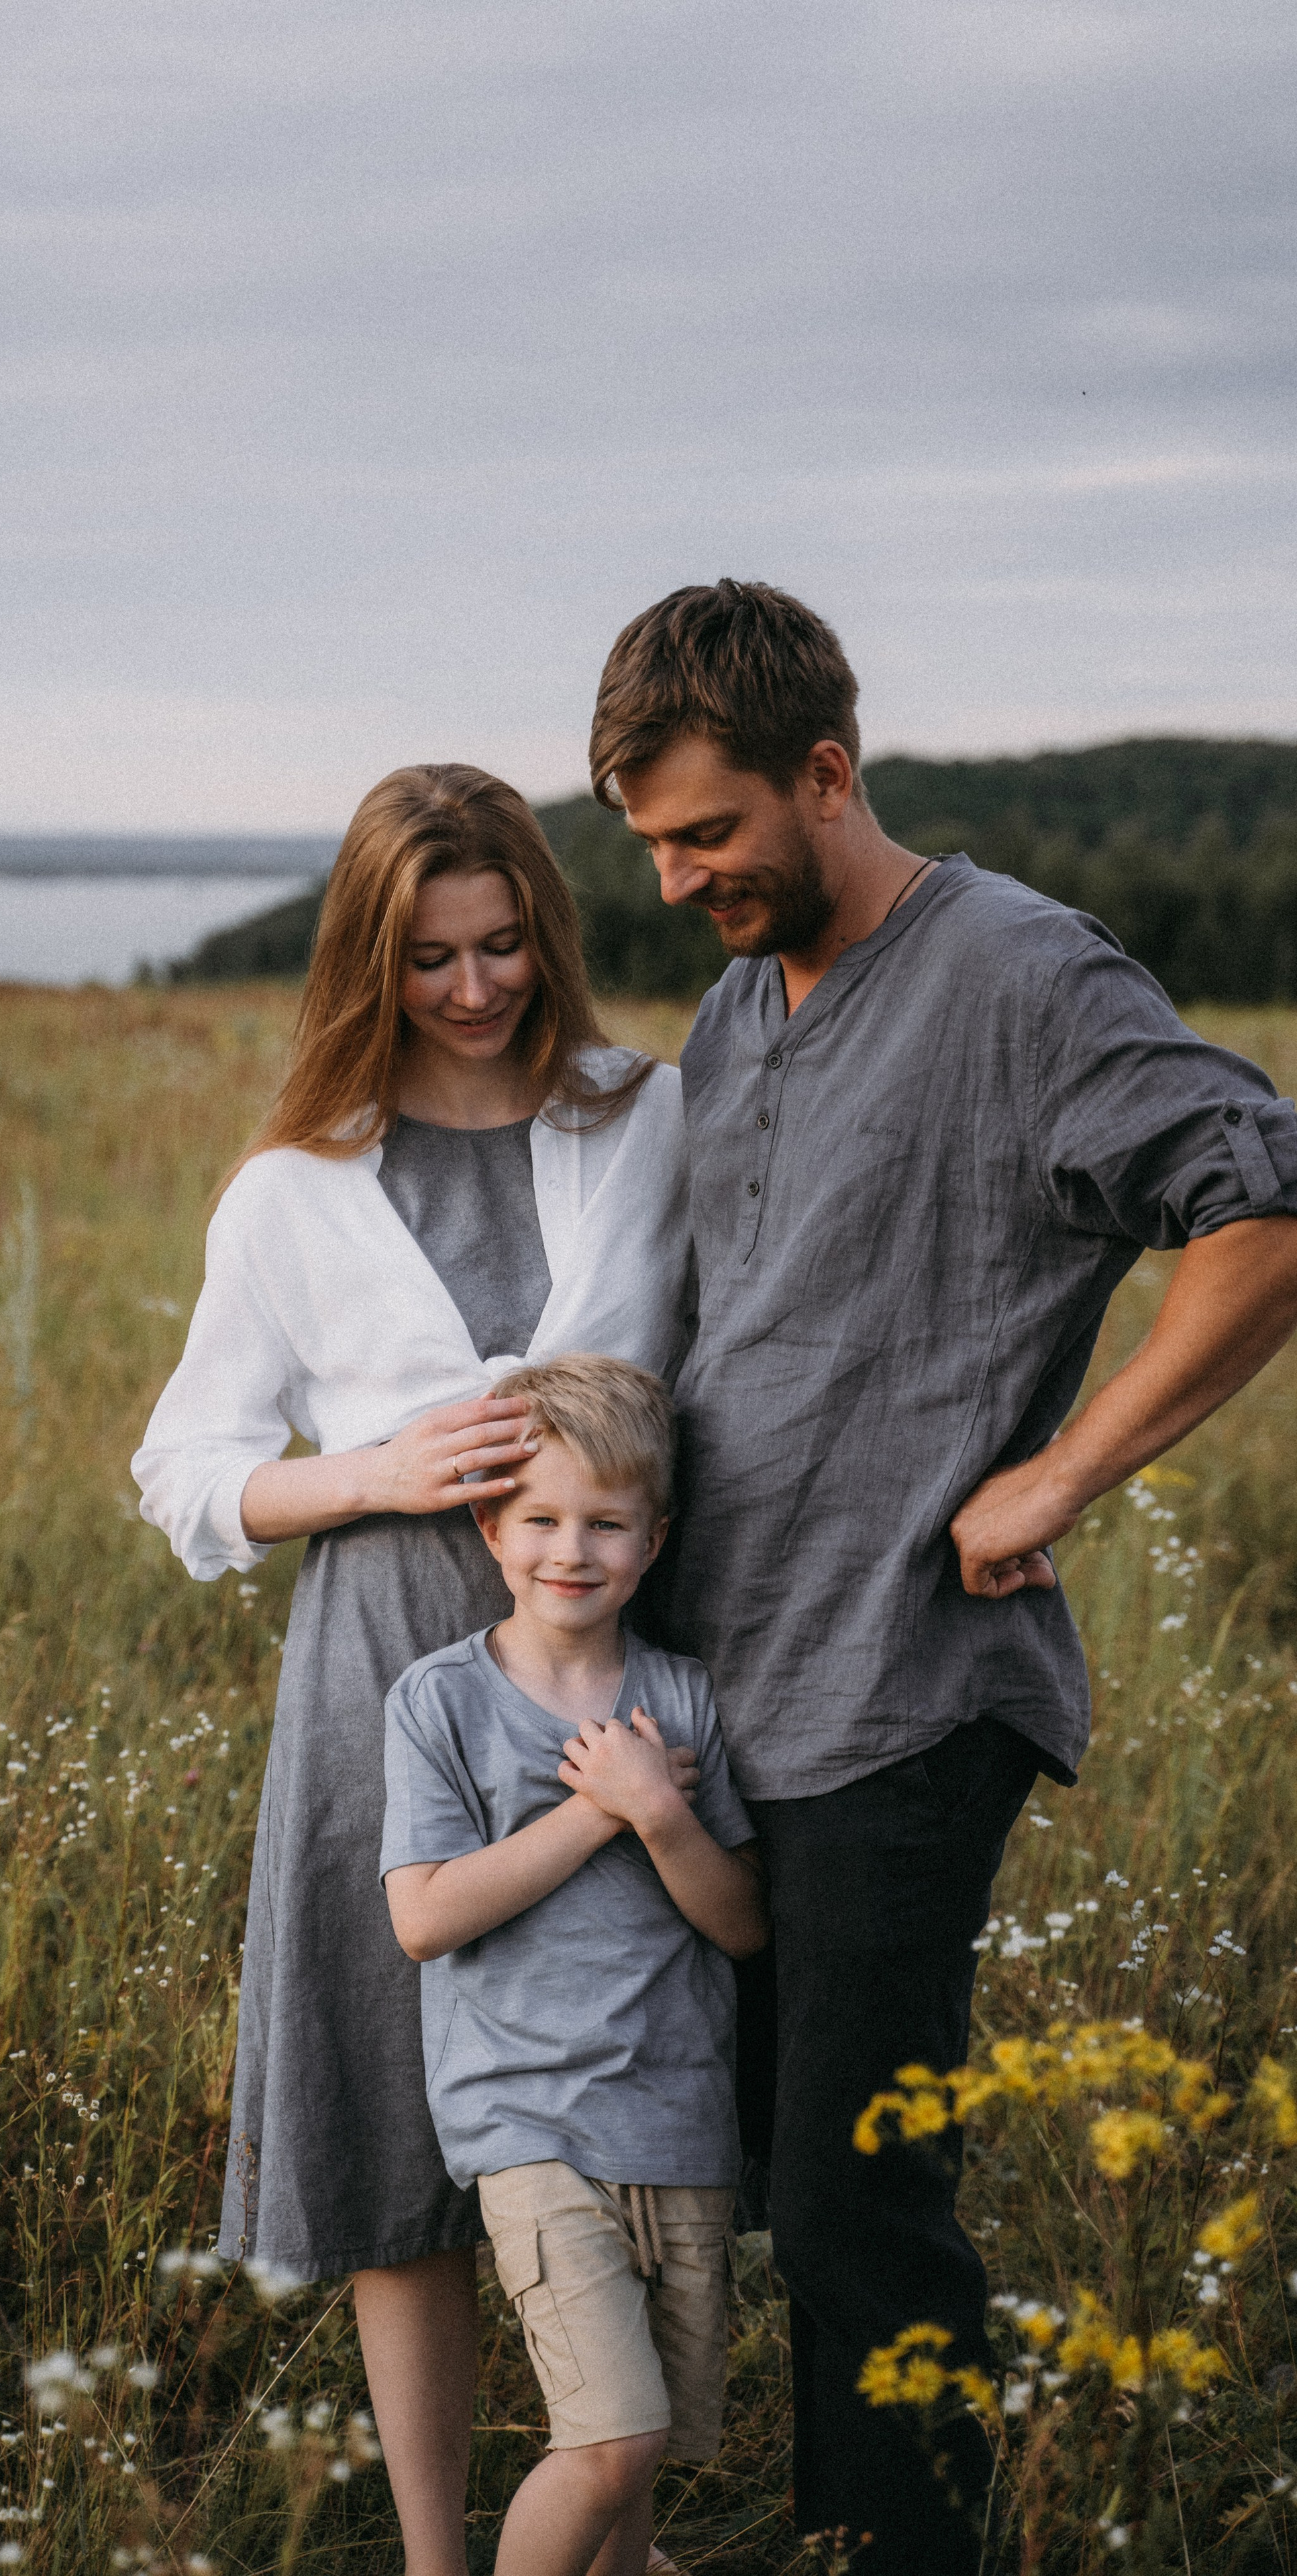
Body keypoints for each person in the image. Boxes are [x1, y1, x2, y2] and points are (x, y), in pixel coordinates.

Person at [586, 580, 1297, 2573]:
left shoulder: (1019, 976)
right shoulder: (742, 1006)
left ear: (828, 774)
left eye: (709, 832)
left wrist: (1063, 1469)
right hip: (728, 1686)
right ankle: (820, 2528)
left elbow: (1263, 1207)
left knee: (851, 2199)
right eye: (650, 843)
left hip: (905, 1686)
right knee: (726, 2166)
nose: (676, 879)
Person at [131, 765, 694, 2576]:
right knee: (400, 2123)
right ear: (374, 960)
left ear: (550, 925)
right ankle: (447, 2558)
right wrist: (371, 1473)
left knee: (622, 2101)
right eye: (434, 956)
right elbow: (186, 1470)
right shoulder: (292, 1190)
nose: (475, 987)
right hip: (382, 1656)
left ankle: (606, 2517)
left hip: (606, 1657)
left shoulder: (647, 1116)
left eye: (505, 941)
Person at [382, 1354, 767, 2576]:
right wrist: (602, 1810)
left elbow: (745, 1924)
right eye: (542, 1518)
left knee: (639, 2458)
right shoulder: (441, 1702)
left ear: (654, 1542)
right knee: (613, 2437)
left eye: (606, 1523)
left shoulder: (685, 1701)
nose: (572, 1549)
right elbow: (425, 1917)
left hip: (677, 2117)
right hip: (532, 2118)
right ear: (491, 1525)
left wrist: (663, 1814)